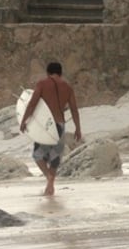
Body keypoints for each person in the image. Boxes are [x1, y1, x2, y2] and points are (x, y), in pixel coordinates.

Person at [19, 62, 83, 196]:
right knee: (55, 157)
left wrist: (24, 120)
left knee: (37, 155)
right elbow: (74, 109)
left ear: (48, 73)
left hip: (46, 126)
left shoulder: (42, 84)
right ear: (60, 73)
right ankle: (50, 187)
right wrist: (78, 128)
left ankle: (49, 177)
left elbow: (32, 104)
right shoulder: (67, 87)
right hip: (60, 124)